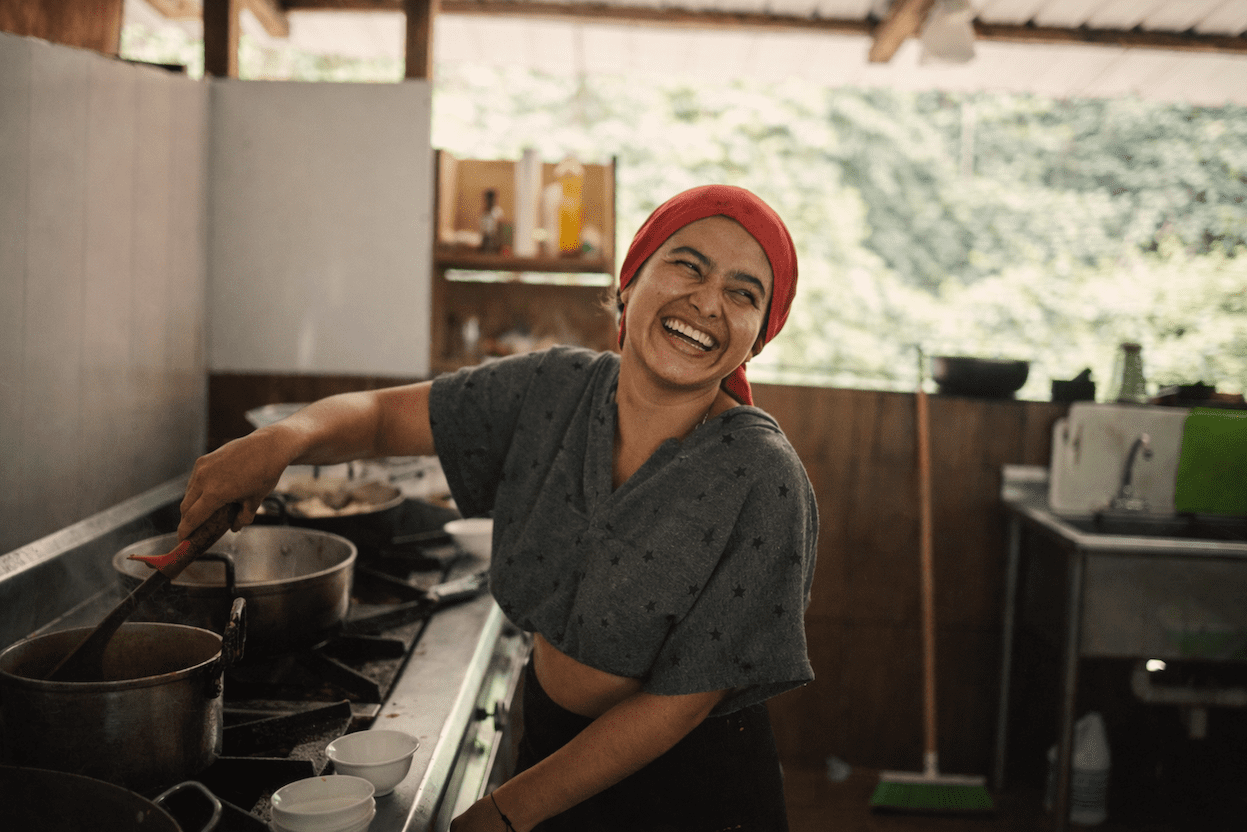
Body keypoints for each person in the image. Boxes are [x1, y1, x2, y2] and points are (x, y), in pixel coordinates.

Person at [177, 184, 818, 832]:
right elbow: (379, 417)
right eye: (687, 264)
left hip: (690, 787)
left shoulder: (762, 479)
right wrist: (284, 439)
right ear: (629, 281)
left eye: (743, 292)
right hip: (550, 743)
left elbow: (680, 702)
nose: (707, 301)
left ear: (758, 336)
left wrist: (505, 811)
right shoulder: (552, 390)